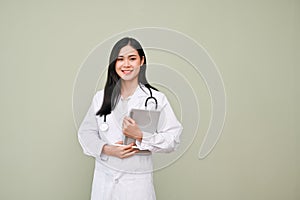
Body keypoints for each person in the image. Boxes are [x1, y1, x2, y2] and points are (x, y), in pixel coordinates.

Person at [78, 37, 183, 200]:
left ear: (141, 61)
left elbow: (173, 139)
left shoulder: (155, 99)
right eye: (120, 59)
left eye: (132, 58)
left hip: (137, 186)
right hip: (105, 184)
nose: (126, 64)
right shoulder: (100, 98)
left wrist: (140, 136)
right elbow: (85, 134)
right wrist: (107, 149)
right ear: (114, 63)